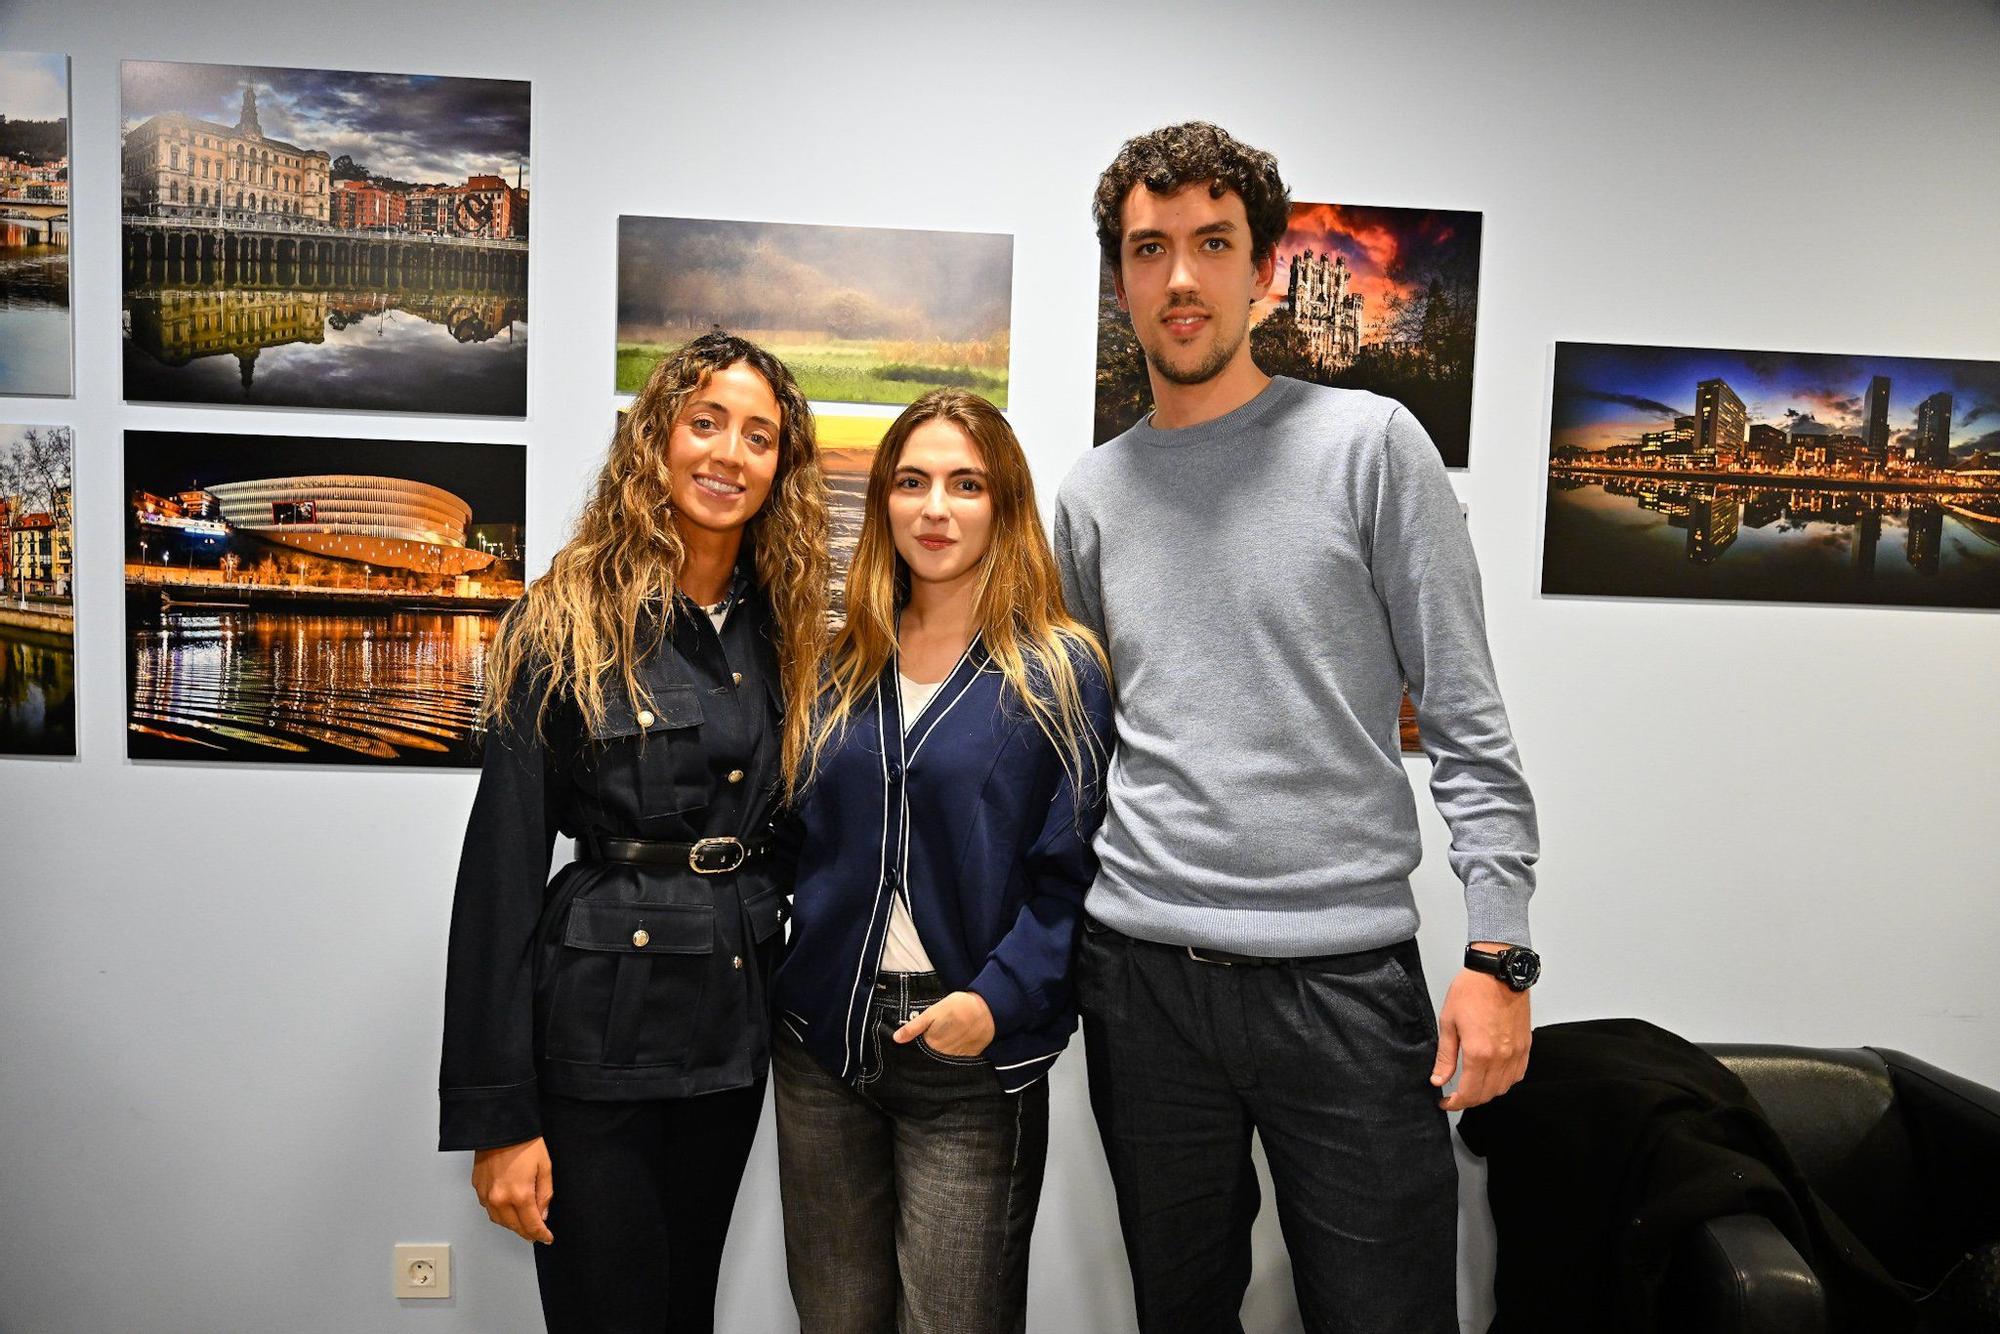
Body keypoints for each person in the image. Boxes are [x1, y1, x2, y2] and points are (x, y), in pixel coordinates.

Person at [1054, 121, 1544, 1333]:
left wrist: (1498, 954)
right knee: (1178, 1312)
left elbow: (1465, 718)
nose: (1180, 276)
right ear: (1119, 279)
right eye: (1149, 248)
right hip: (1143, 981)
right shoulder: (1090, 494)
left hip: (1340, 980)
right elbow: (1080, 746)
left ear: (1263, 269)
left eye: (1212, 243)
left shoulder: (1370, 446)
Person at [437, 331, 829, 1333]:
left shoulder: (785, 628)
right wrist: (499, 1118)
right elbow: (500, 874)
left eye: (758, 436)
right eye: (706, 423)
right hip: (594, 1041)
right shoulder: (563, 618)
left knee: (684, 1312)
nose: (728, 454)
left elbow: (793, 832)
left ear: (780, 467)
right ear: (656, 438)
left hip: (729, 1036)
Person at [770, 388, 1113, 1334]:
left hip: (971, 1055)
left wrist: (995, 1002)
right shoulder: (837, 664)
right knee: (835, 1320)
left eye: (966, 485)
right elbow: (792, 845)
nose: (935, 508)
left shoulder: (1060, 671)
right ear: (883, 500)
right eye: (912, 482)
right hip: (823, 1049)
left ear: (1004, 505)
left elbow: (1076, 875)